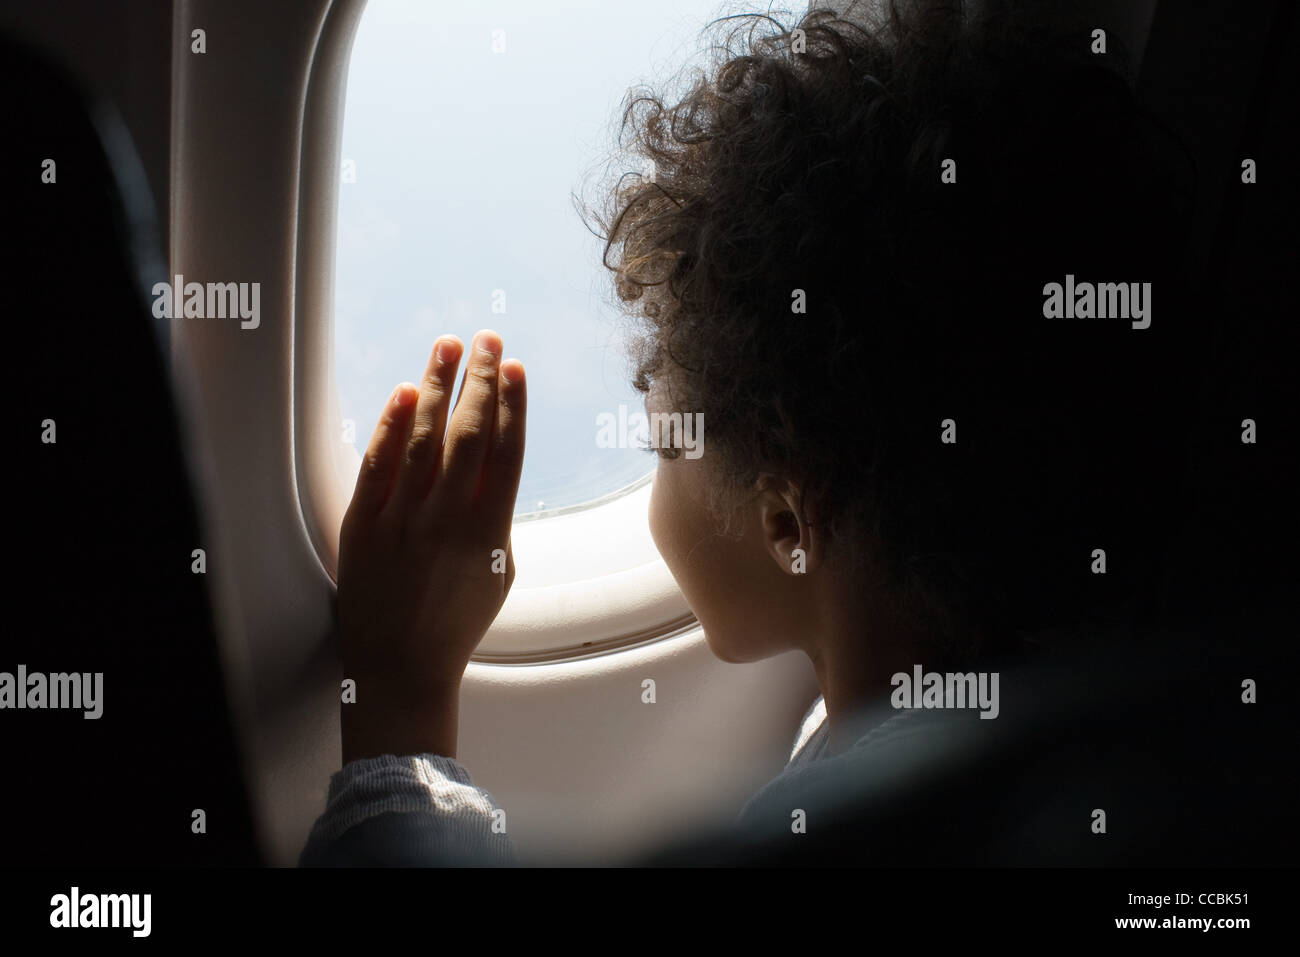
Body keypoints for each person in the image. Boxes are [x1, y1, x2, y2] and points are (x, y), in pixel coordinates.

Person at [300, 0, 1197, 866]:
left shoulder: (861, 832)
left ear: (785, 521)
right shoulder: (1086, 740)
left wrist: (399, 711)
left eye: (663, 446)